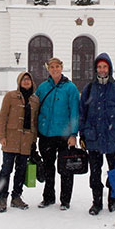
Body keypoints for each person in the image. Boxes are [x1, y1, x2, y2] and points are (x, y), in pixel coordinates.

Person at [79, 52, 115, 215]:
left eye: (105, 67)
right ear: (96, 69)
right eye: (99, 67)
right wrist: (82, 134)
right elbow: (82, 113)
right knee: (94, 174)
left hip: (113, 139)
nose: (102, 70)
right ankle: (96, 202)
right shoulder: (89, 89)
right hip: (93, 138)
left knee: (114, 172)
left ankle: (112, 200)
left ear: (109, 69)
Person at [35, 57, 80, 211]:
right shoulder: (42, 88)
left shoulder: (70, 88)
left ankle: (65, 200)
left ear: (62, 68)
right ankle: (48, 197)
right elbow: (35, 109)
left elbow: (75, 112)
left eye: (57, 66)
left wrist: (74, 134)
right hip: (46, 135)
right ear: (48, 69)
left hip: (64, 136)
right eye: (52, 67)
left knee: (65, 168)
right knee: (48, 167)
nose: (55, 69)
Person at [0, 72, 39, 213]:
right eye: (24, 79)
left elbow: (34, 122)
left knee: (21, 171)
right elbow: (3, 116)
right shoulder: (10, 96)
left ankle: (16, 196)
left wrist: (33, 140)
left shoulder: (35, 100)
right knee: (6, 170)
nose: (27, 82)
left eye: (29, 80)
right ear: (19, 82)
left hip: (26, 141)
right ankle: (2, 197)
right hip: (11, 139)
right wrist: (1, 135)